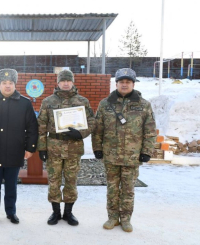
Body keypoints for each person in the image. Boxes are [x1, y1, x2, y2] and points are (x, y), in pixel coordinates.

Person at [92, 68, 156, 232]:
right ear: (117, 83)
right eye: (122, 82)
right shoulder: (105, 104)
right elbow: (98, 129)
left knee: (128, 190)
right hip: (111, 156)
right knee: (112, 189)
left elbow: (149, 130)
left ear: (133, 84)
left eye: (128, 82)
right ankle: (112, 217)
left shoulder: (144, 105)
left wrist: (146, 151)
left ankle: (126, 219)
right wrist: (97, 148)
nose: (124, 84)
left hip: (132, 156)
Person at [0, 68, 38, 225]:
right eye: (4, 83)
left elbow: (32, 127)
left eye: (10, 82)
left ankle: (11, 212)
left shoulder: (24, 103)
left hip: (14, 151)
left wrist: (30, 148)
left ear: (15, 84)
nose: (7, 86)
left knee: (11, 186)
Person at [37, 69, 95, 226]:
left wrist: (81, 133)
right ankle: (55, 212)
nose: (66, 83)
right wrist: (42, 148)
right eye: (63, 80)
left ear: (72, 82)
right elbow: (41, 126)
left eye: (68, 80)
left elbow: (92, 122)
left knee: (71, 180)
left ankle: (68, 212)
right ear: (58, 82)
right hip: (54, 147)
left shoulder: (82, 101)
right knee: (54, 180)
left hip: (73, 147)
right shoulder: (48, 102)